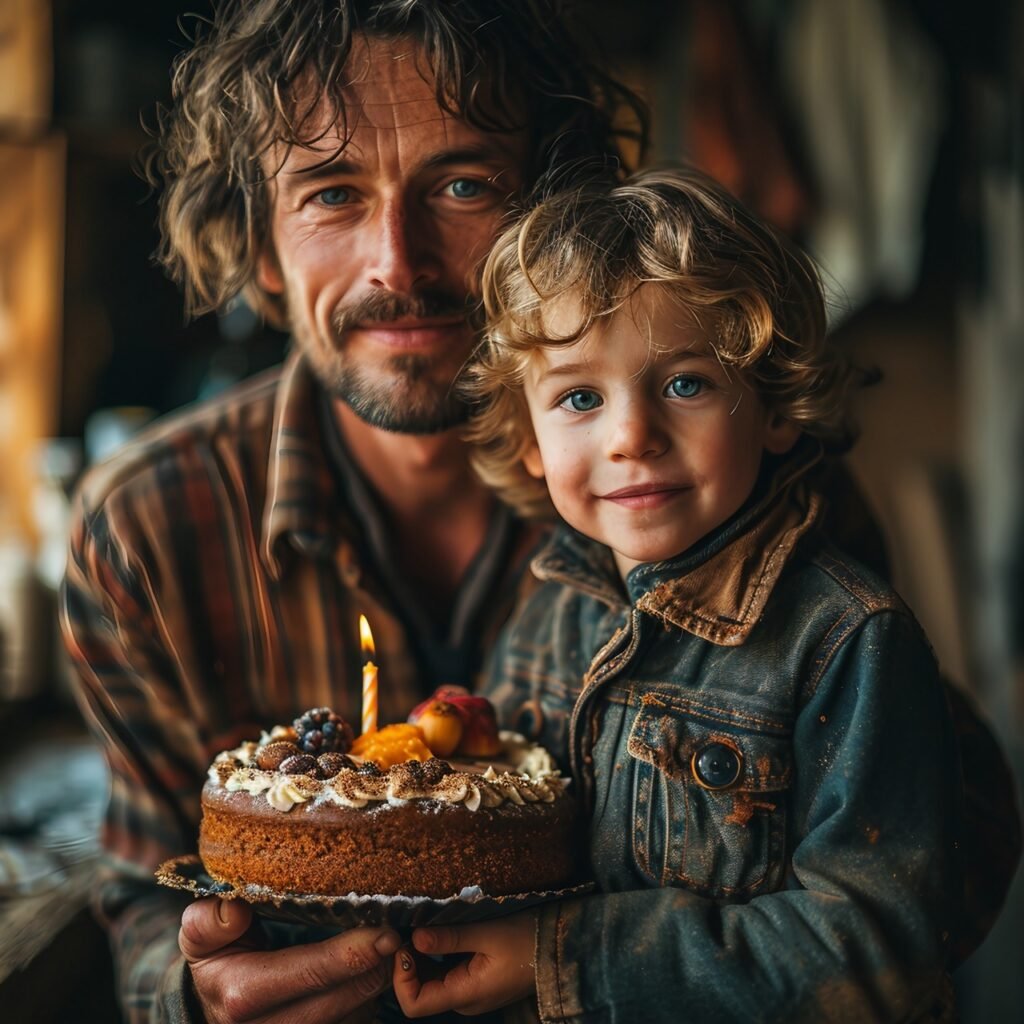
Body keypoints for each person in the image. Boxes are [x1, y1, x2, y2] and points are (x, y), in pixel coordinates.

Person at [59, 3, 647, 1022]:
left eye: (462, 184)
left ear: (554, 213)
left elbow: (941, 833)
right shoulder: (146, 532)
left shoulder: (707, 477)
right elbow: (141, 886)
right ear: (260, 253)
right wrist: (197, 991)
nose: (397, 262)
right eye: (331, 194)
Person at [389, 166, 963, 1021]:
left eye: (686, 383)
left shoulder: (846, 640)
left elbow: (878, 953)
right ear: (530, 439)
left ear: (772, 407)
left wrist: (566, 958)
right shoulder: (549, 605)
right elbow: (495, 824)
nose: (630, 436)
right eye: (579, 396)